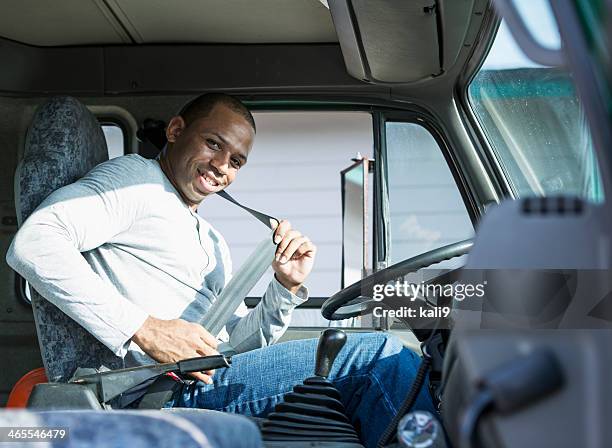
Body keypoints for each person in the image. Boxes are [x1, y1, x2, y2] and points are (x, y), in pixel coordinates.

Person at [6, 93, 434, 448]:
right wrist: (146, 328)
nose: (222, 167)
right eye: (213, 144)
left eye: (236, 161)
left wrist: (283, 288)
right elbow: (34, 244)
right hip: (150, 392)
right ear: (176, 131)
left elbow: (231, 348)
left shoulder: (210, 239)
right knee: (377, 357)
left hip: (196, 381)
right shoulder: (133, 180)